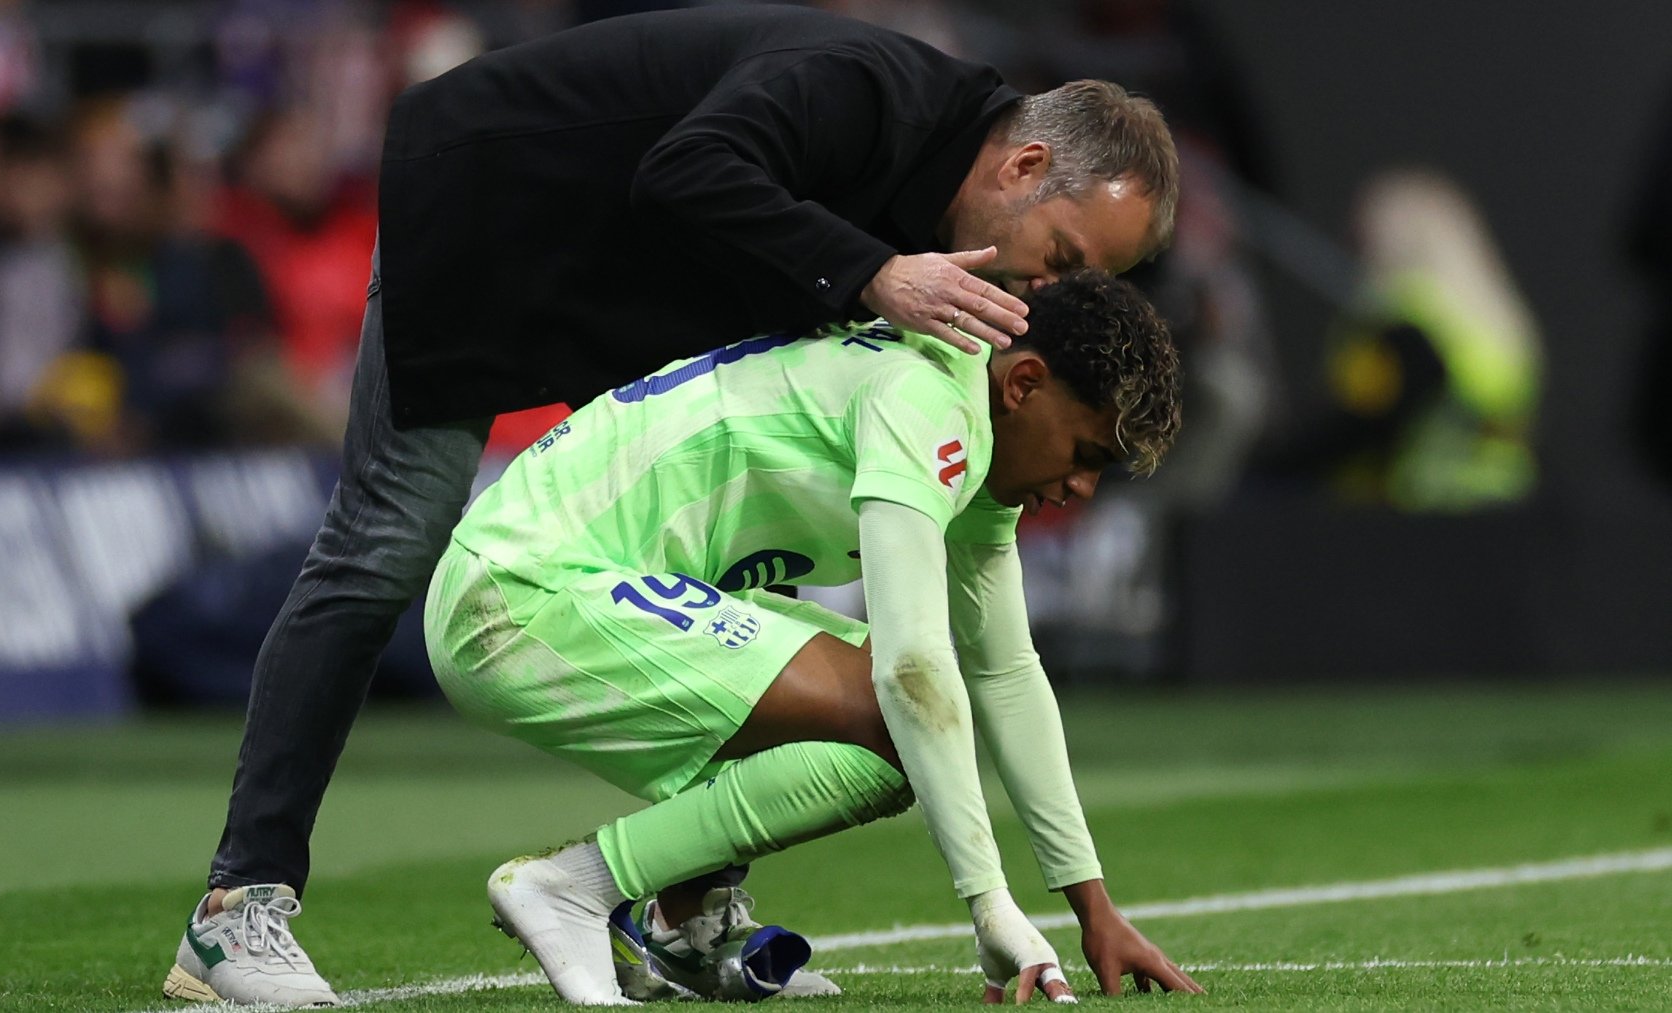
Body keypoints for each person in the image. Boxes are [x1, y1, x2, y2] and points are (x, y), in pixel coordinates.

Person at [167, 6, 1179, 1006]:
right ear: (1025, 167)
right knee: (386, 539)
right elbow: (686, 168)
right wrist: (873, 272)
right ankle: (236, 906)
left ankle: (685, 911)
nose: (1055, 290)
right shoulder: (862, 87)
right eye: (1068, 255)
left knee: (703, 543)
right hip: (494, 206)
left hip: (637, 274)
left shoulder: (946, 233)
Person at [428, 269, 1199, 1005]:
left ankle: (680, 924)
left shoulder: (974, 426)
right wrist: (989, 903)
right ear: (1023, 385)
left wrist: (1092, 907)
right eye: (1087, 455)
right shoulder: (928, 403)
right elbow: (914, 671)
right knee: (890, 717)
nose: (1081, 489)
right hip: (517, 592)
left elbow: (1005, 673)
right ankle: (575, 885)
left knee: (891, 710)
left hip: (565, 577)